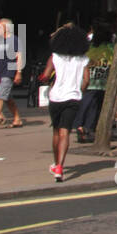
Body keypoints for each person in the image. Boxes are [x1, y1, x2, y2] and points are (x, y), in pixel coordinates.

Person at [44, 23, 91, 182]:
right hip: (73, 98)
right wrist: (79, 91)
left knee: (56, 131)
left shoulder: (55, 57)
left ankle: (56, 162)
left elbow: (45, 76)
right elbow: (86, 80)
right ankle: (60, 168)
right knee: (66, 132)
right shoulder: (83, 59)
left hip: (56, 97)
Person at [75, 25, 114, 143]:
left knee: (86, 105)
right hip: (103, 83)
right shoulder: (110, 48)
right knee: (96, 108)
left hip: (89, 81)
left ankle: (81, 126)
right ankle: (89, 128)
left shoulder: (89, 48)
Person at [0, 18, 24, 129]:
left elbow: (19, 56)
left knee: (0, 96)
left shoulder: (14, 40)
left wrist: (18, 72)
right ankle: (17, 119)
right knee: (8, 98)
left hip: (9, 71)